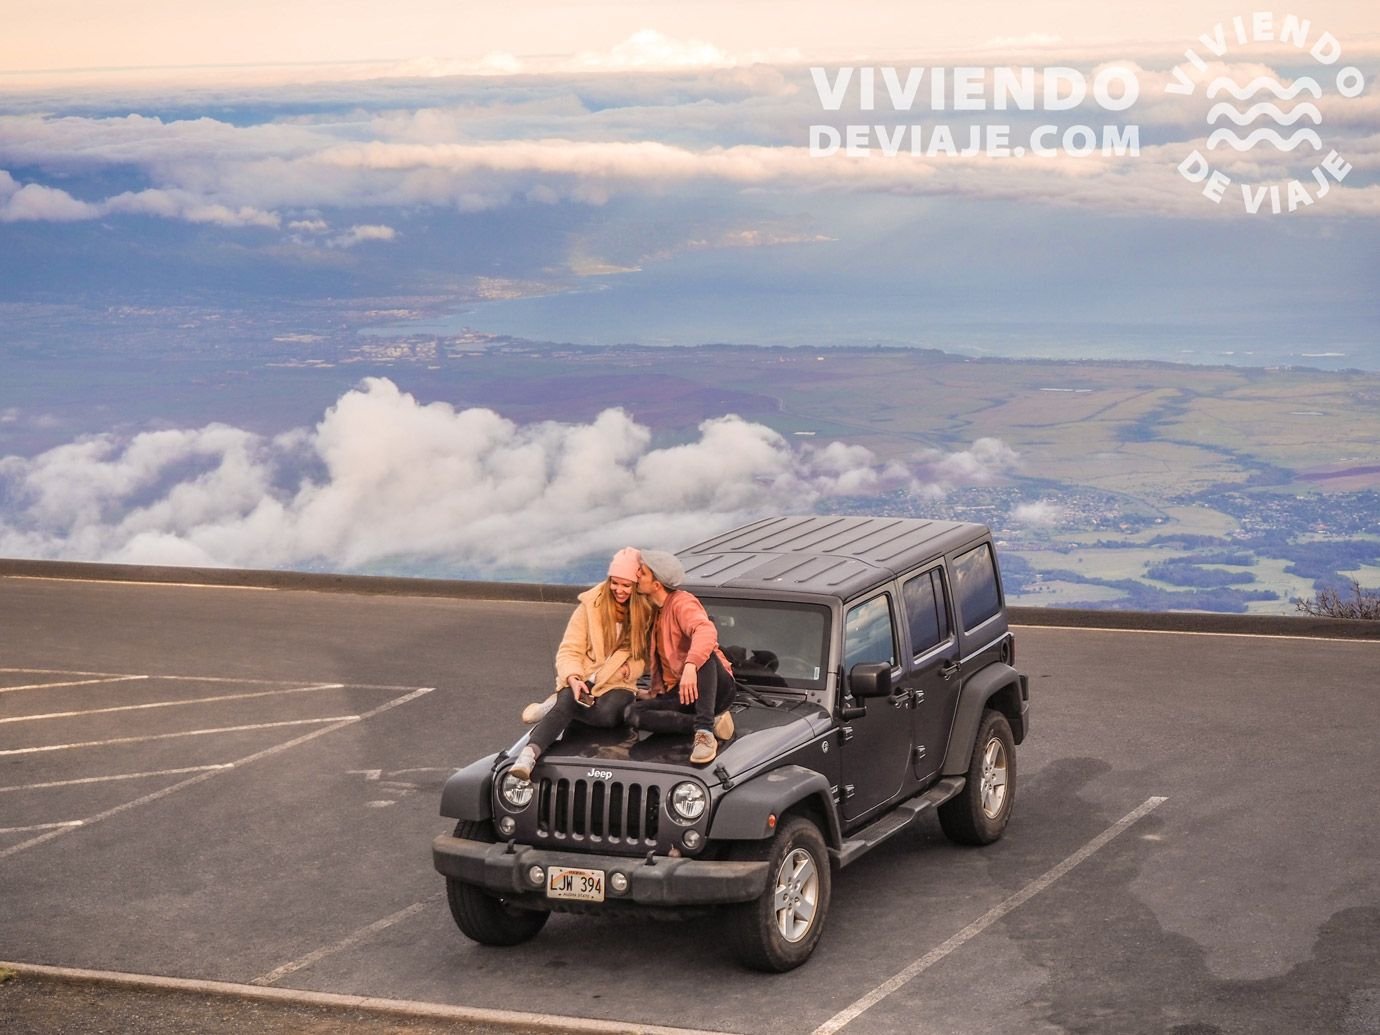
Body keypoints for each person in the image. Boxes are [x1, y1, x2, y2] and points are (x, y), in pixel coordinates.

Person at [510, 547, 652, 780]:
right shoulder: (589, 606)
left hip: (619, 682)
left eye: (626, 585)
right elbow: (570, 649)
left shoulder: (645, 612)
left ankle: (558, 705)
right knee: (570, 697)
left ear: (636, 585)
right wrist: (573, 678)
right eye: (614, 583)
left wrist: (631, 669)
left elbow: (644, 657)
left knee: (607, 715)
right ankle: (528, 756)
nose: (619, 590)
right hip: (584, 676)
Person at [626, 549, 736, 765]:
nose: (636, 575)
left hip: (718, 690)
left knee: (705, 655)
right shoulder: (657, 611)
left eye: (642, 572)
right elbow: (664, 663)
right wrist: (653, 694)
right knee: (633, 713)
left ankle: (704, 733)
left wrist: (689, 666)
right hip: (685, 693)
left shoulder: (682, 602)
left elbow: (706, 631)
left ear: (656, 584)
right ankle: (711, 723)